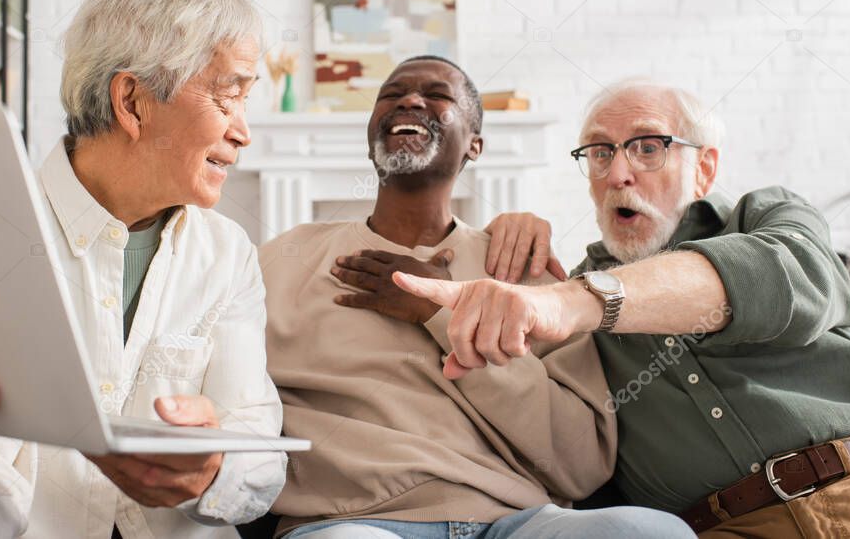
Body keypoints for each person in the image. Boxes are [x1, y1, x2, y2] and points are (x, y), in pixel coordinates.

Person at [0, 0, 286, 538]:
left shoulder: (227, 253)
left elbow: (259, 448)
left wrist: (211, 472)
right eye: (229, 96)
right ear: (133, 102)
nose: (244, 132)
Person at [397, 79, 850, 537]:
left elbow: (790, 281)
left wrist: (578, 301)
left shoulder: (766, 217)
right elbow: (545, 436)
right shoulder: (562, 299)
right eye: (600, 153)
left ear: (704, 168)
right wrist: (492, 250)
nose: (618, 174)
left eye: (648, 147)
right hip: (718, 529)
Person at [260, 59, 694, 538]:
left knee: (652, 533)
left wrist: (445, 316)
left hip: (514, 523)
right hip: (350, 521)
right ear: (370, 133)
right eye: (393, 93)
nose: (409, 100)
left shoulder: (525, 271)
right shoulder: (282, 262)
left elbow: (582, 463)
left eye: (437, 94)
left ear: (475, 144)